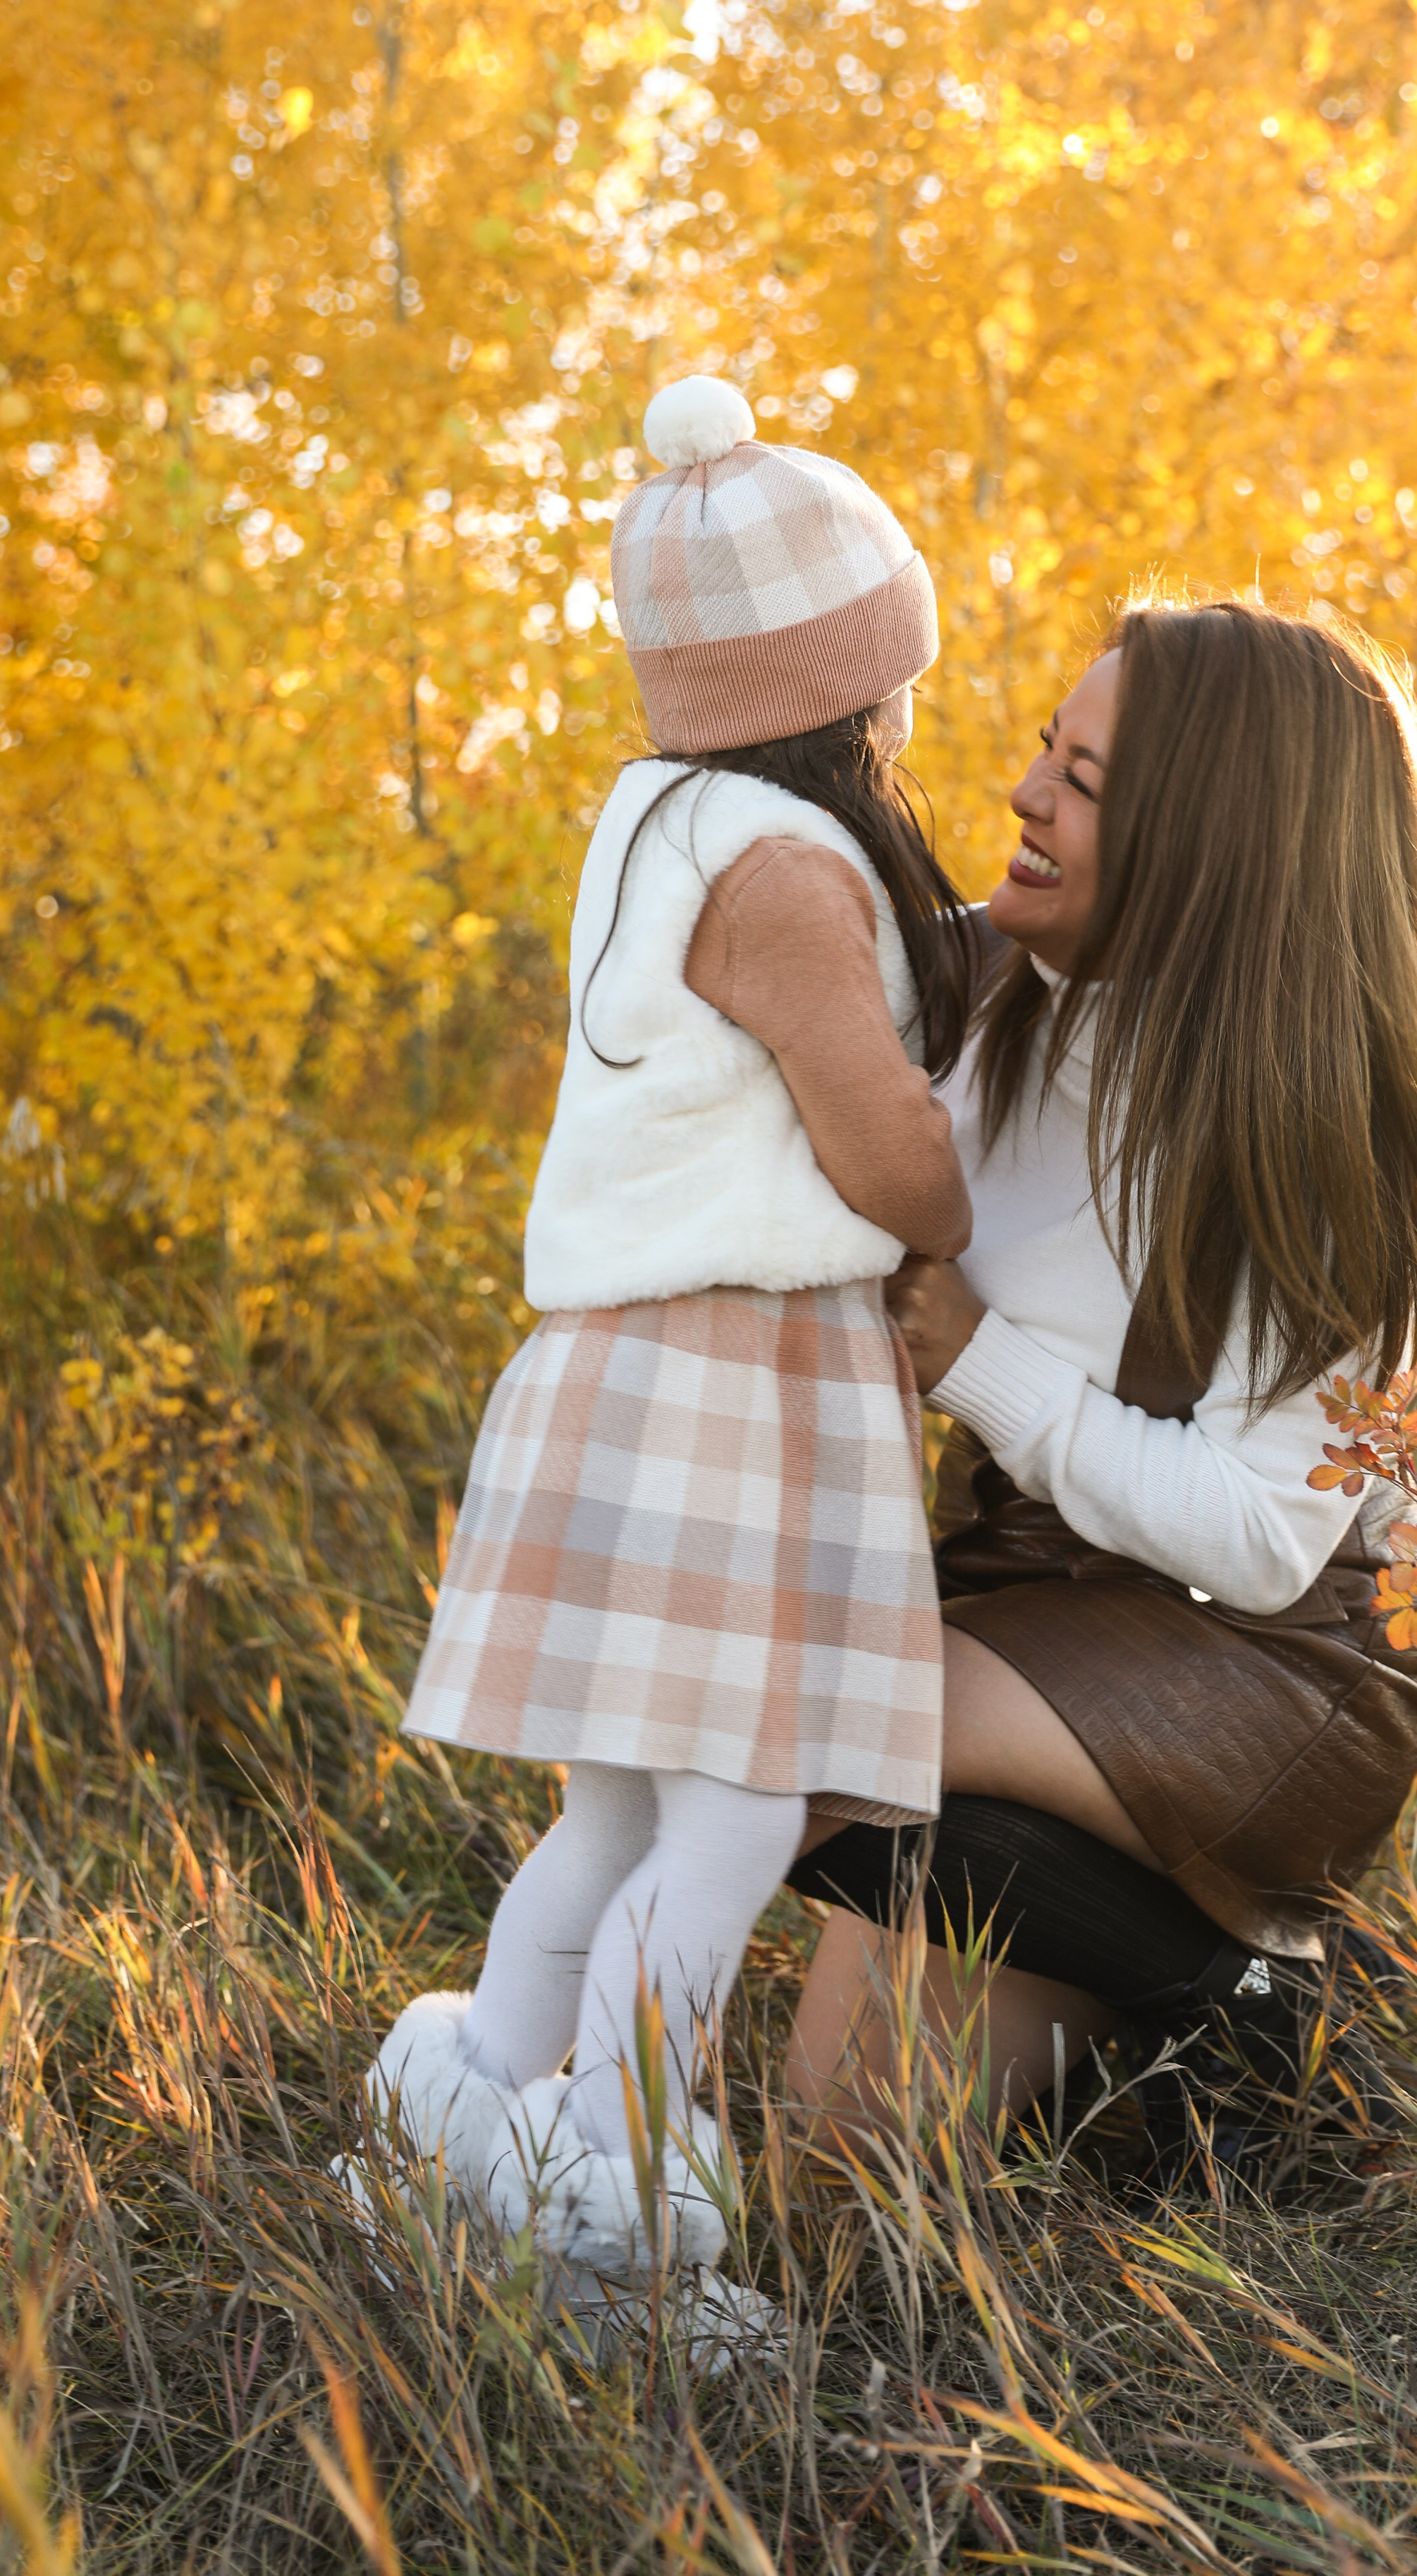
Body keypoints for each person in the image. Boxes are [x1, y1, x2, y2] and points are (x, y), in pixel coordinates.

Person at [351, 376, 976, 2309]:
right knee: (741, 1811)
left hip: (625, 1372)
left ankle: (484, 2134)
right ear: (860, 674)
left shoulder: (661, 823)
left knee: (617, 1811)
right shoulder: (789, 874)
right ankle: (613, 2188)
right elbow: (884, 1155)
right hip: (740, 1384)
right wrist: (962, 1213)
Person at [786, 597, 1417, 2156]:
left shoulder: (1307, 1145)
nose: (1024, 792)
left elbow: (1260, 1536)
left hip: (1265, 1666)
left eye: (1081, 781)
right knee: (832, 2170)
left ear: (1205, 848)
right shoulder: (992, 995)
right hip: (1035, 1589)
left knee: (785, 1711)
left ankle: (1243, 1984)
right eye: (1047, 747)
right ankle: (1168, 1991)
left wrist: (973, 1358)